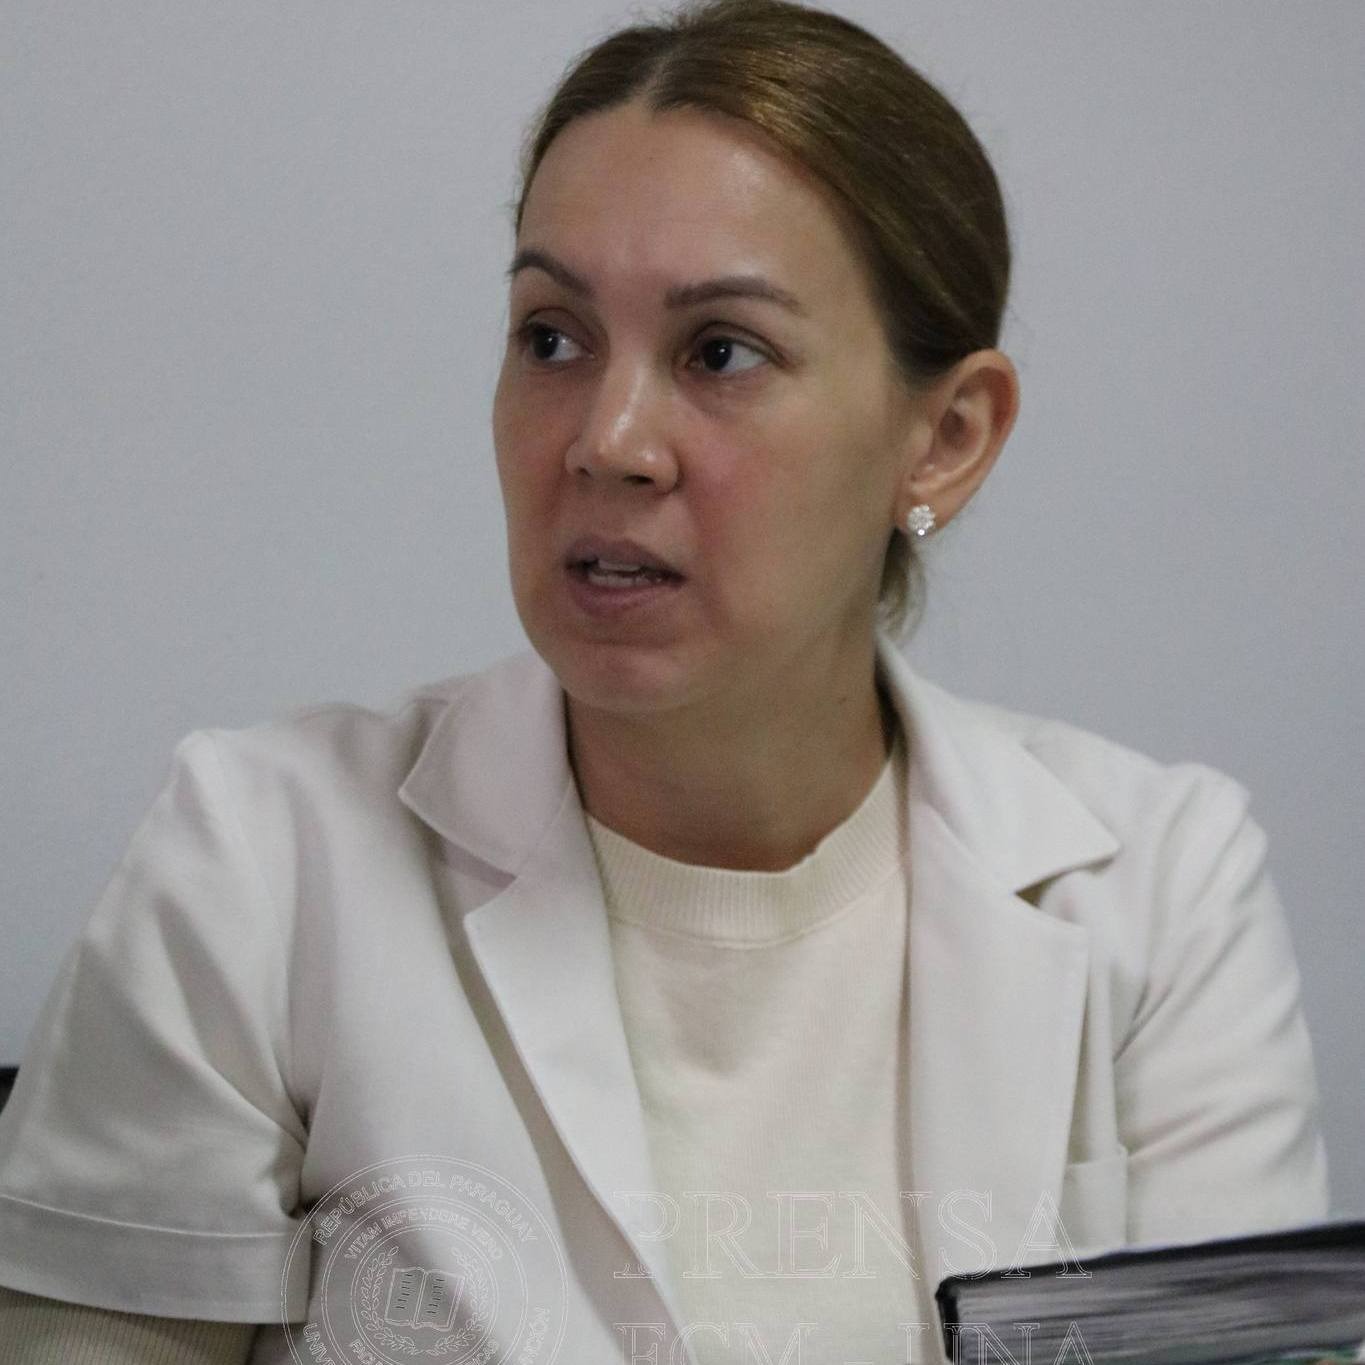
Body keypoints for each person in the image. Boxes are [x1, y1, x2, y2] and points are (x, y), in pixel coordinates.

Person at [0, 1, 1328, 1362]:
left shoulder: (1161, 891)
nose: (607, 442)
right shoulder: (259, 863)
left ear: (944, 437)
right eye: (552, 337)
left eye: (720, 353)